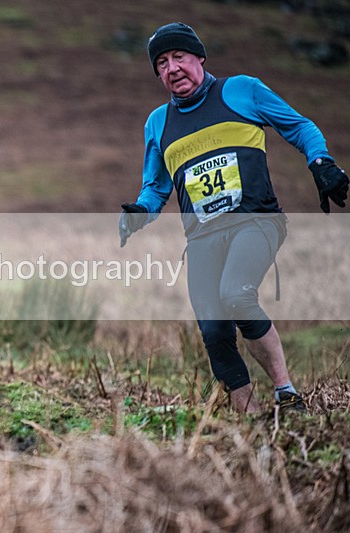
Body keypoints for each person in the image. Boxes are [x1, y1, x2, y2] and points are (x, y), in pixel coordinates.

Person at [119, 22, 348, 414]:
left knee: (236, 295)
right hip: (203, 238)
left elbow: (299, 126)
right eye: (161, 63)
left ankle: (286, 393)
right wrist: (141, 210)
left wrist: (321, 163)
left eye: (179, 57)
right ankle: (250, 418)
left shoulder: (241, 90)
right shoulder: (157, 123)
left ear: (199, 58)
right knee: (213, 330)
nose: (171, 68)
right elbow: (155, 186)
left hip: (256, 220)